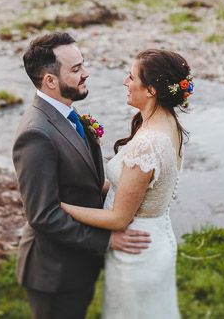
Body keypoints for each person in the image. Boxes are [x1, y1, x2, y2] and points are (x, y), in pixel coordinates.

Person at [12, 32, 152, 319]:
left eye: (82, 65)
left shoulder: (67, 115)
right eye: (76, 69)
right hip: (54, 274)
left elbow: (86, 180)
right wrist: (107, 241)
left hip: (78, 265)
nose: (86, 74)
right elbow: (43, 215)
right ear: (50, 81)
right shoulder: (35, 134)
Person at [61, 48, 192, 318]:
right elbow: (136, 187)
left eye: (131, 77)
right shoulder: (168, 123)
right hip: (154, 239)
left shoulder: (148, 144)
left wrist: (60, 206)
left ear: (152, 90)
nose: (125, 82)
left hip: (135, 248)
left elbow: (119, 219)